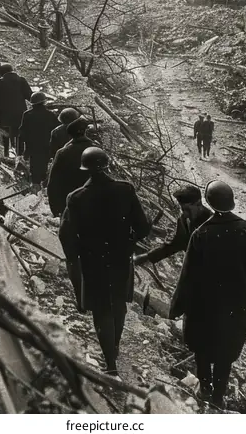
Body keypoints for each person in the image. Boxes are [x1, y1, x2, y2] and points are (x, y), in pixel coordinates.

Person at [169, 180, 246, 409]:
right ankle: (218, 397)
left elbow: (188, 275)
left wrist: (177, 306)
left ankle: (204, 389)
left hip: (204, 305)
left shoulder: (201, 233)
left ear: (210, 203)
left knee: (203, 346)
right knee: (226, 349)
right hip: (235, 304)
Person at [59, 147, 150, 375]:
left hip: (92, 260)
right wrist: (130, 240)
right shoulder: (126, 190)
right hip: (121, 257)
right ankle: (115, 346)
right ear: (107, 165)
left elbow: (66, 233)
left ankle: (110, 362)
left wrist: (74, 256)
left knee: (100, 308)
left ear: (85, 169)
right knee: (117, 303)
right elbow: (143, 227)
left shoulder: (76, 197)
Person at [134, 185, 211, 267]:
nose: (184, 214)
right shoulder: (183, 220)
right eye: (182, 209)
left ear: (198, 204)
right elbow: (175, 245)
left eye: (188, 209)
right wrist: (147, 257)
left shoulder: (213, 223)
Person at [47, 117, 99, 217]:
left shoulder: (63, 152)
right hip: (92, 203)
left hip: (69, 203)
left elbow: (53, 182)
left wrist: (55, 208)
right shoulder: (96, 149)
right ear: (85, 132)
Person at [18, 91, 59, 187]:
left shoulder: (27, 115)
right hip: (46, 147)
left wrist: (20, 152)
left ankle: (35, 187)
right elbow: (56, 132)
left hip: (32, 147)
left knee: (34, 168)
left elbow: (22, 134)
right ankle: (43, 187)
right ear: (44, 102)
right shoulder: (50, 115)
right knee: (44, 167)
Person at [0, 63, 33, 157]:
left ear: (2, 73)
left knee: (5, 134)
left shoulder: (0, 82)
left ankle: (6, 153)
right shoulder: (21, 80)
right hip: (20, 113)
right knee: (19, 134)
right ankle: (19, 155)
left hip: (5, 114)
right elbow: (29, 96)